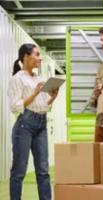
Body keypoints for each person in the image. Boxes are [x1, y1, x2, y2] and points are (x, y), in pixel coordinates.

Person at [8, 43, 58, 200]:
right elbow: (15, 106)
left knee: (43, 170)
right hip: (25, 125)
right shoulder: (17, 79)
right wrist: (35, 93)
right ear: (26, 57)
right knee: (19, 171)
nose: (40, 58)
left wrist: (53, 97)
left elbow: (42, 105)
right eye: (36, 54)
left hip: (41, 124)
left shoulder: (39, 78)